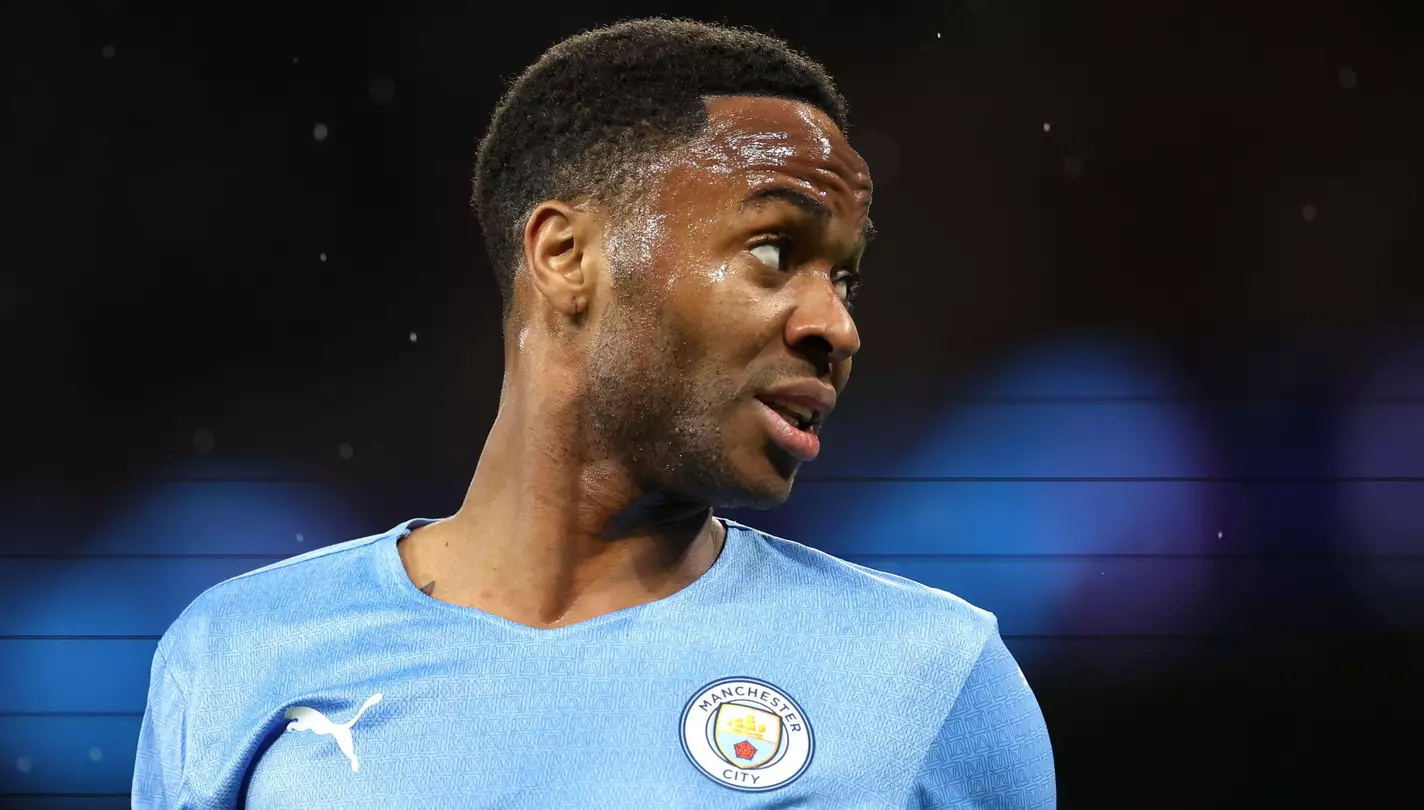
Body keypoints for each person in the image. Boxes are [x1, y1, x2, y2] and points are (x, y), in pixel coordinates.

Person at [133, 17, 1055, 808]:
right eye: (775, 252)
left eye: (844, 276)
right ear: (567, 256)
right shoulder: (236, 657)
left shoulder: (930, 679)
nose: (836, 326)